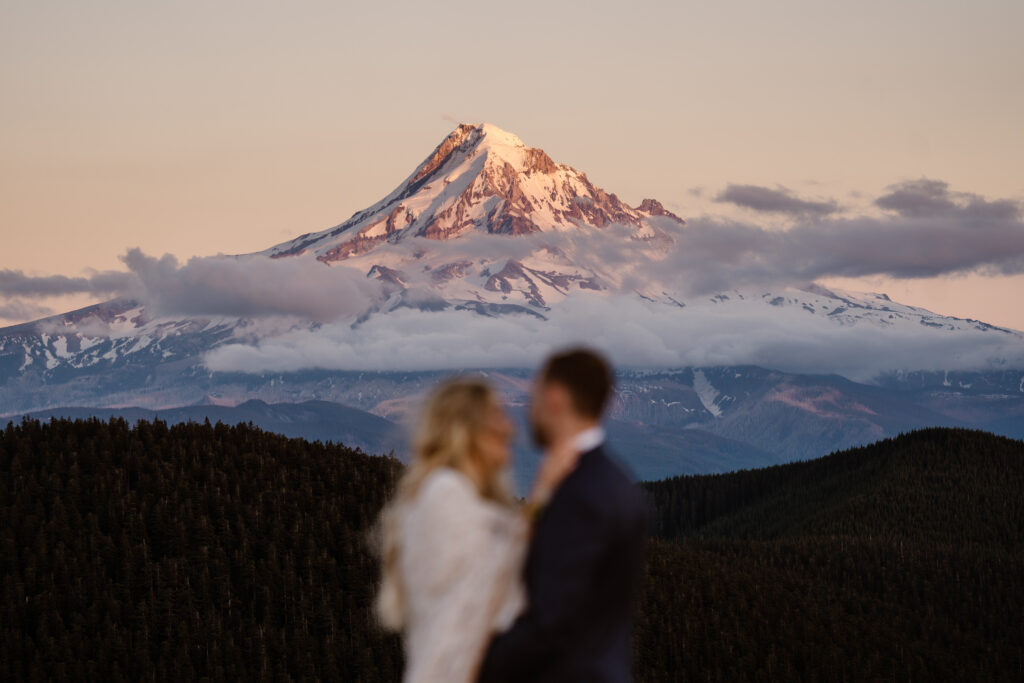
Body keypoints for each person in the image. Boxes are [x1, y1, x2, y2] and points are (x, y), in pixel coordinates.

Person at [478, 348, 648, 683]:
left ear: (555, 397)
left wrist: (478, 665)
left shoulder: (579, 495)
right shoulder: (617, 480)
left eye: (533, 396)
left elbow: (552, 620)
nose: (529, 409)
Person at [375, 377, 528, 683]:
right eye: (497, 415)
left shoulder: (452, 497)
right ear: (467, 430)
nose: (510, 428)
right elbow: (463, 625)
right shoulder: (446, 496)